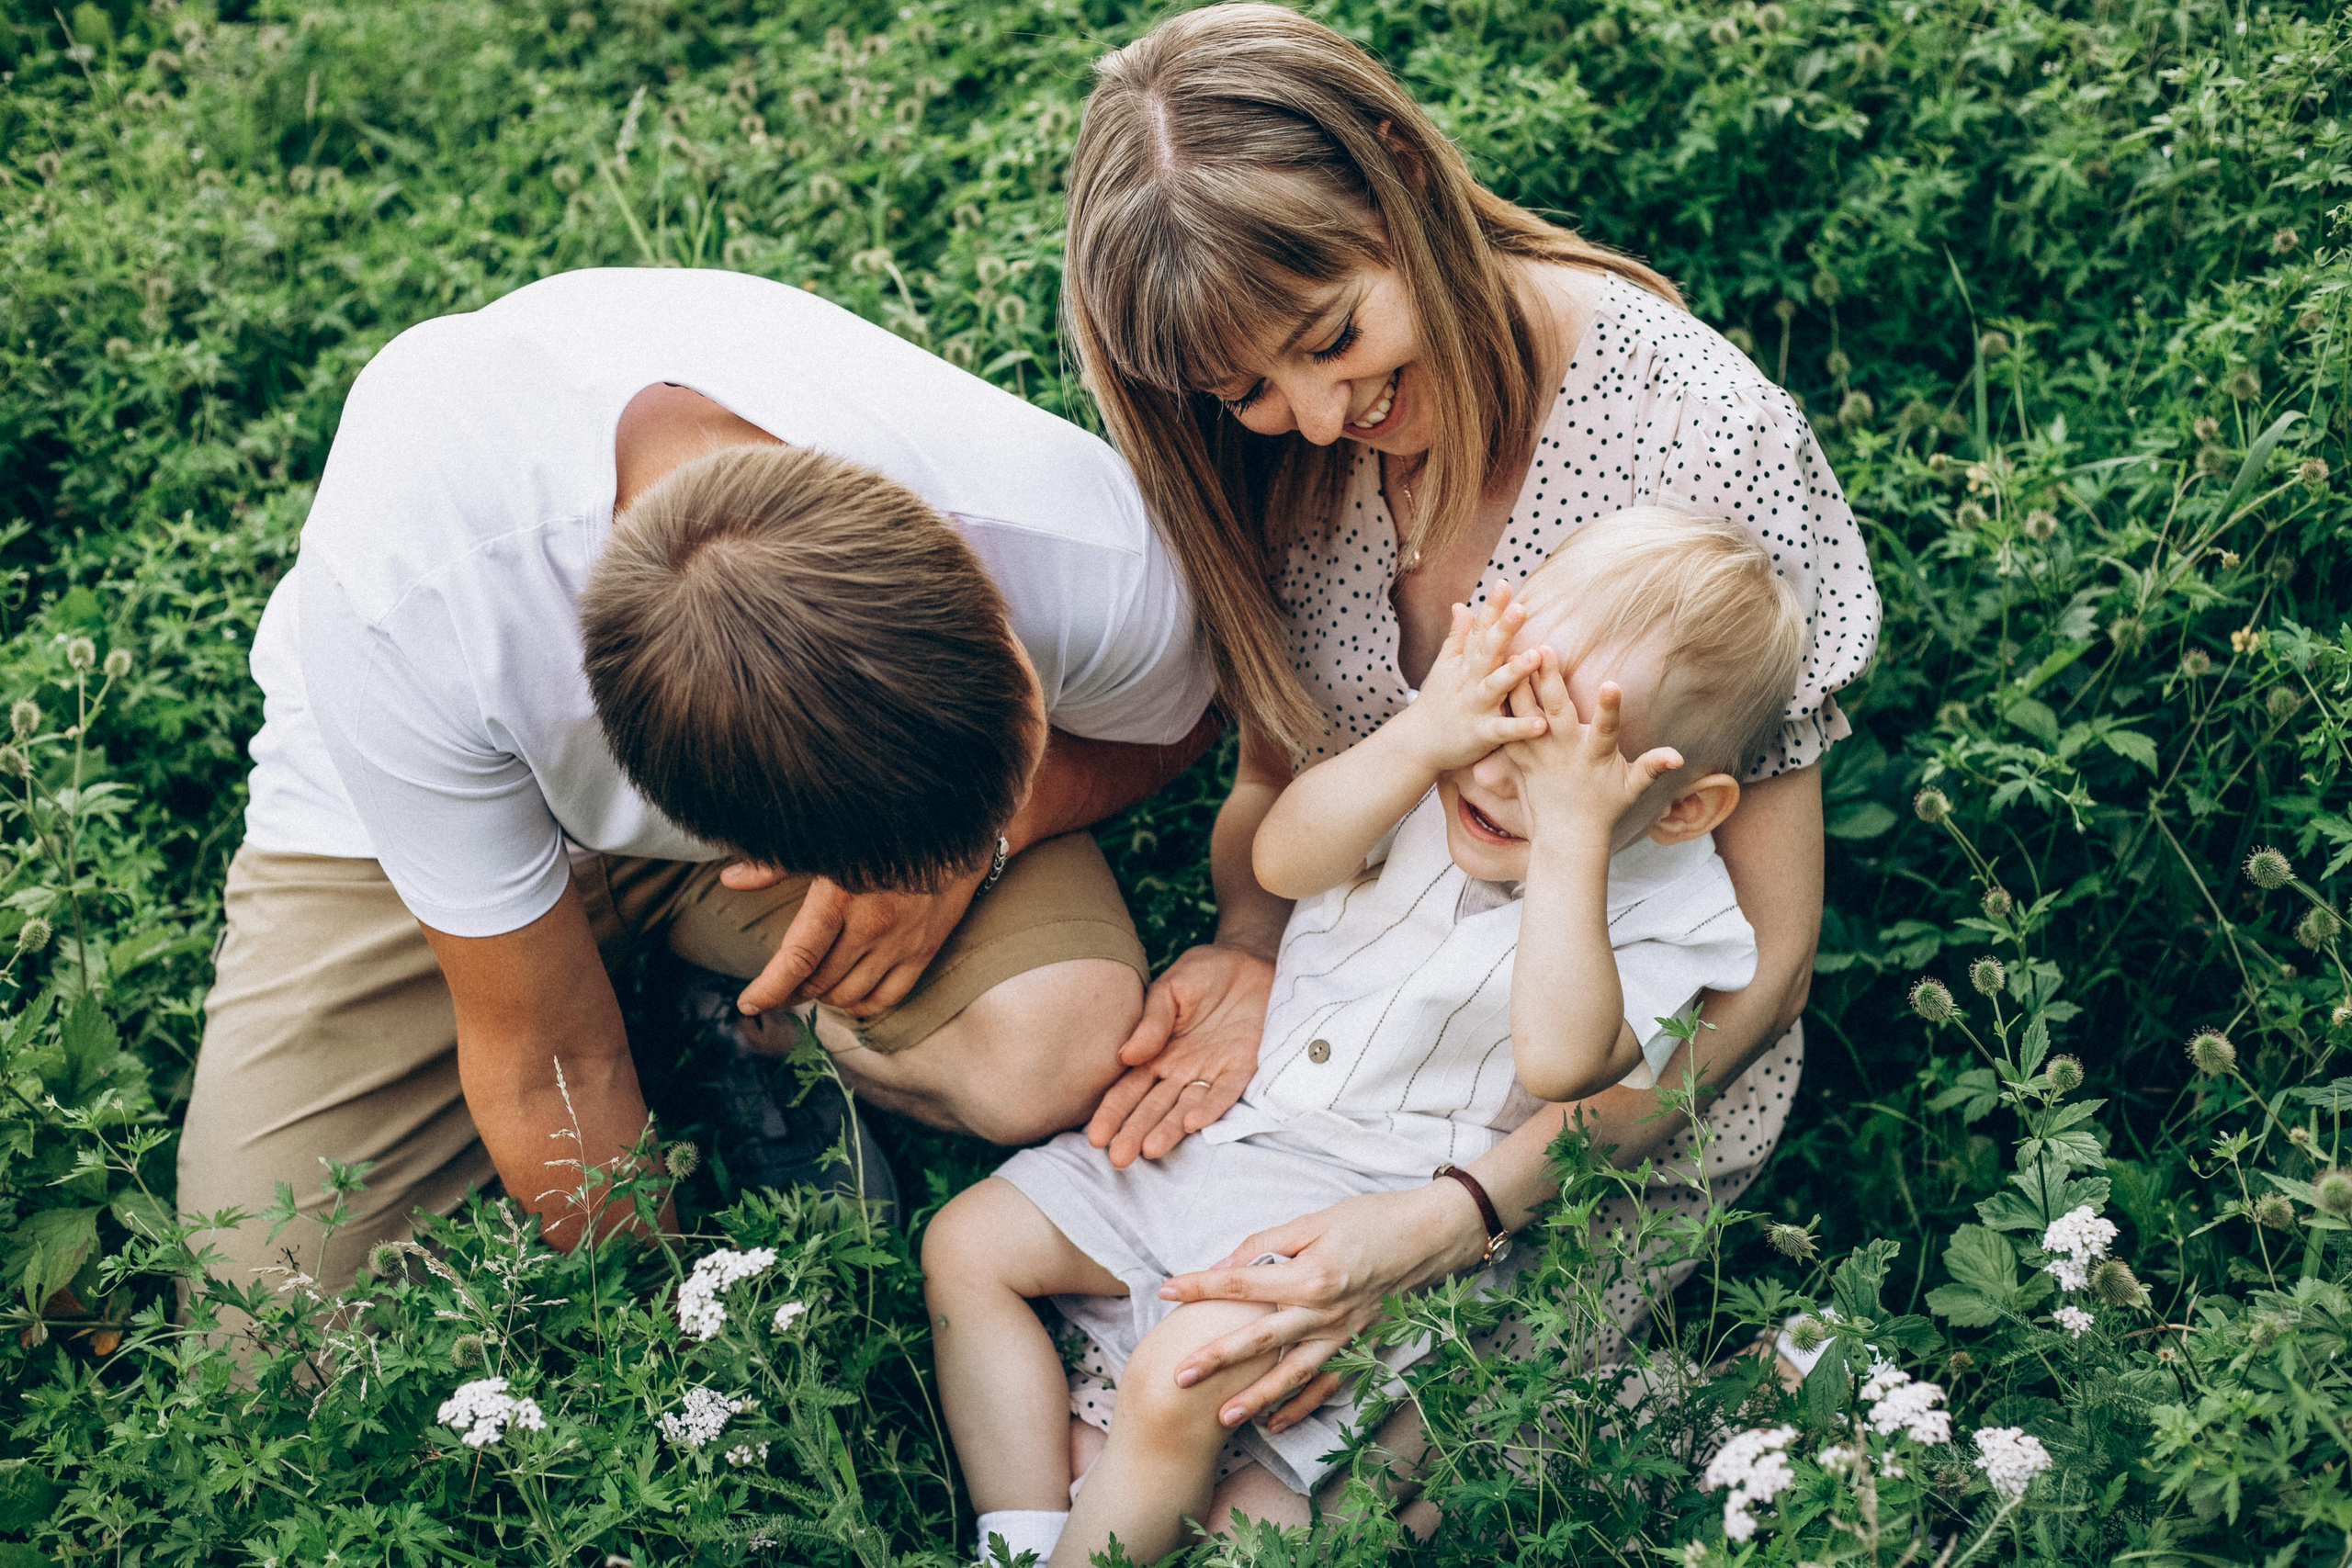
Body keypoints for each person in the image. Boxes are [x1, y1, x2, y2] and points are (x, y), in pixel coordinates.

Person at [1053, 2, 1881, 1524]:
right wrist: (1249, 947)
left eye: (1332, 341)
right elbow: (1271, 786)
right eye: (1244, 391)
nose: (1315, 417)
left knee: (1299, 1487)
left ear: (1405, 185)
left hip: (1599, 1107)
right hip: (1356, 1030)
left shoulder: (1697, 442)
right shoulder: (1278, 455)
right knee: (1130, 1404)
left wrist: (1457, 1213)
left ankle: (1664, 1377)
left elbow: (1760, 967)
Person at [178, 266, 1217, 1298]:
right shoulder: (412, 602)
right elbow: (550, 1057)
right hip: (393, 830)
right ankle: (699, 997)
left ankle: (729, 1014)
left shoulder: (1053, 526)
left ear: (972, 576)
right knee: (268, 1312)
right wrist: (690, 1344)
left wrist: (978, 842)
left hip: (738, 771)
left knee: (1056, 1040)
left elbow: (1187, 714)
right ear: (746, 851)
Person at [923, 511, 1806, 1563]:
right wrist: (1425, 733)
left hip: (1380, 1223)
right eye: (1503, 719)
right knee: (967, 1246)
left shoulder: (1675, 911)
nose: (1491, 779)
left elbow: (1562, 1063)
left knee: (1179, 1391)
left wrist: (1570, 843)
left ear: (1679, 808)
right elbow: (1286, 864)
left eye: (1555, 769)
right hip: (1235, 1144)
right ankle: (1019, 1538)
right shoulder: (1428, 762)